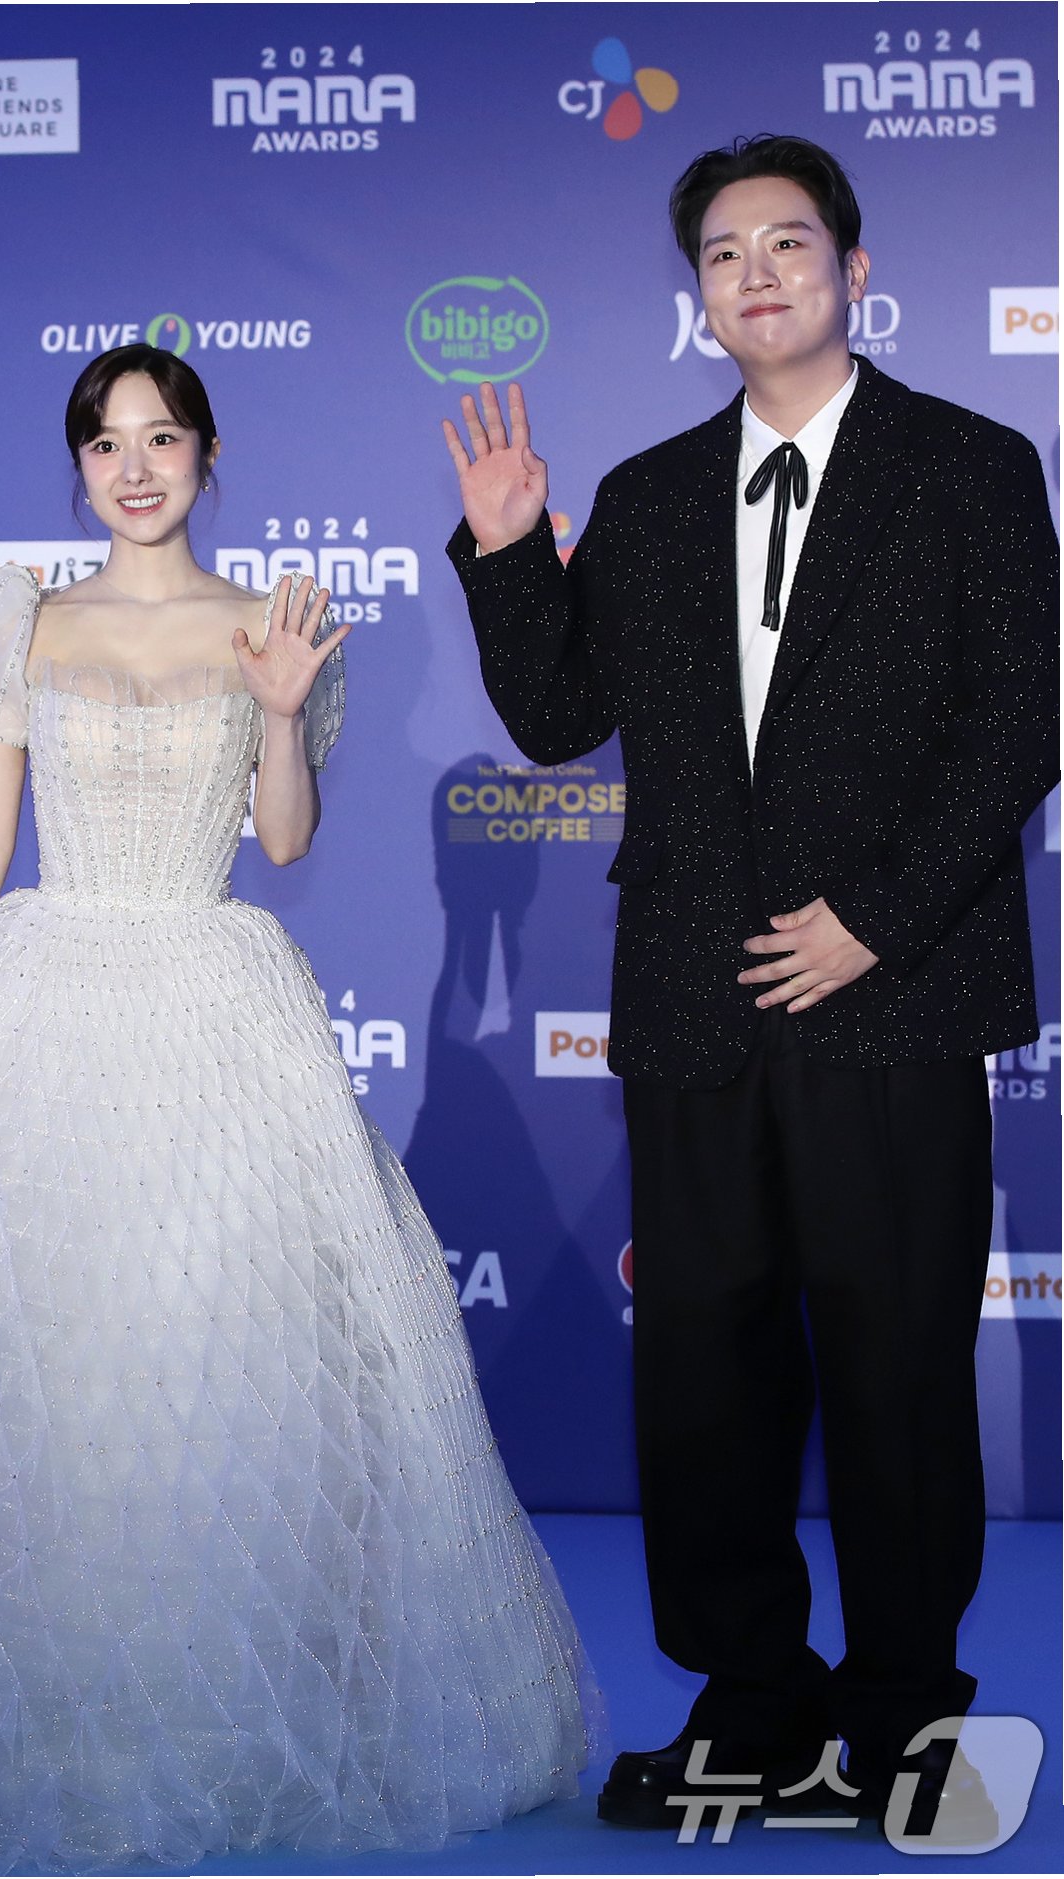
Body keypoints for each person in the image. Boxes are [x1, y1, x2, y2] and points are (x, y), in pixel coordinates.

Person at [0, 344, 594, 1876]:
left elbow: (282, 844)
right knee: (51, 1358)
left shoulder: (273, 622)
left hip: (213, 1006)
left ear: (208, 454)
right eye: (106, 444)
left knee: (200, 1355)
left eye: (162, 438)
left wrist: (281, 713)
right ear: (80, 469)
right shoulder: (17, 619)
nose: (136, 467)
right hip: (43, 1000)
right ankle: (46, 1701)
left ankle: (199, 1712)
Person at [443, 136, 1057, 1837]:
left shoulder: (970, 463)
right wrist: (507, 554)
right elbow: (557, 720)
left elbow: (1024, 719)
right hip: (696, 992)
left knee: (896, 1365)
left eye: (788, 243)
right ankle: (749, 1702)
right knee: (705, 1372)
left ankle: (906, 1709)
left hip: (895, 989)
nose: (757, 274)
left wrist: (877, 917)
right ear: (699, 297)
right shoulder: (646, 495)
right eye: (724, 254)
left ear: (854, 268)